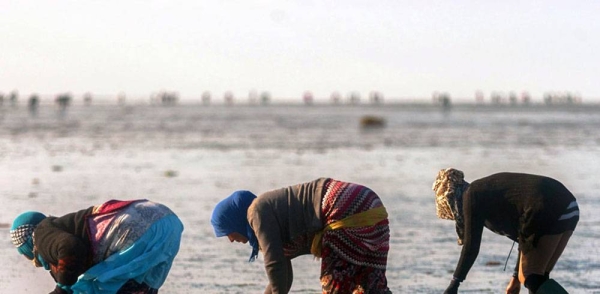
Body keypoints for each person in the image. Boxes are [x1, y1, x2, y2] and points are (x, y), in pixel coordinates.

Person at [211, 178, 392, 294]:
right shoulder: (275, 216)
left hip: (343, 206)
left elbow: (274, 264)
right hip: (371, 205)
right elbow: (283, 277)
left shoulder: (257, 211)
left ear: (234, 219)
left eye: (226, 231)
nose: (230, 239)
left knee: (336, 287)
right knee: (372, 285)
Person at [432, 168, 579, 294]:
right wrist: (515, 277)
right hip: (568, 205)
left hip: (547, 206)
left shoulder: (471, 196)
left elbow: (471, 247)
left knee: (531, 276)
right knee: (538, 277)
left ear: (451, 203)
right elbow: (524, 237)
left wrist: (454, 285)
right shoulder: (483, 192)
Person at [10, 199, 184, 294]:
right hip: (168, 222)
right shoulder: (67, 226)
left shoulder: (42, 233)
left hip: (137, 226)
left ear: (26, 245)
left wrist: (61, 290)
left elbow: (71, 247)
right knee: (139, 289)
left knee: (89, 287)